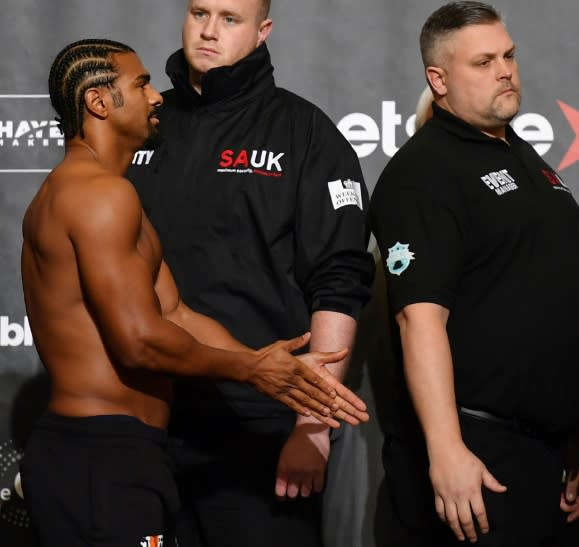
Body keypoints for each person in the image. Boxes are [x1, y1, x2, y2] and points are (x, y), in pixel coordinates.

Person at [19, 38, 368, 547]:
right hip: (99, 455)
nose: (156, 95)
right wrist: (252, 370)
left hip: (125, 453)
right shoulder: (100, 195)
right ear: (98, 102)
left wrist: (278, 372)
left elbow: (176, 314)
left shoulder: (100, 192)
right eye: (138, 85)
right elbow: (138, 341)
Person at [126, 1, 375, 545]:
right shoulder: (141, 126)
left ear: (263, 31)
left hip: (260, 428)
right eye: (199, 12)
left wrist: (313, 427)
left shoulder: (305, 131)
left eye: (230, 18)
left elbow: (339, 281)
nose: (209, 30)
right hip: (143, 421)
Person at [369, 2, 579, 545]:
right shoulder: (423, 173)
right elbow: (418, 321)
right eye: (483, 62)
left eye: (509, 55)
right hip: (480, 456)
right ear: (439, 79)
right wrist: (447, 450)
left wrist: (578, 447)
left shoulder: (527, 158)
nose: (505, 70)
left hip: (550, 456)